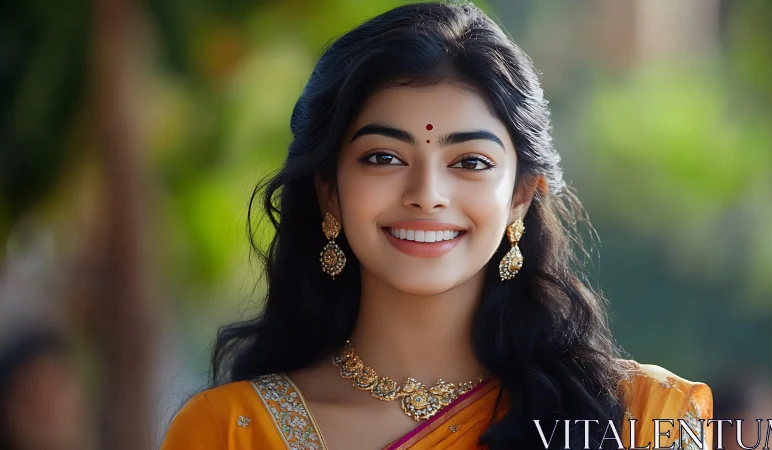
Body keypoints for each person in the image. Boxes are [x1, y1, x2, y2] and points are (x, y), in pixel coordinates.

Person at [161, 2, 712, 449]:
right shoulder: (231, 431)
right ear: (329, 191)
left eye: (470, 162)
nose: (426, 195)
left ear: (521, 196)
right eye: (383, 157)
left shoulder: (638, 421)